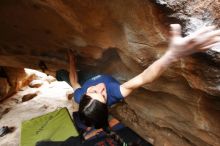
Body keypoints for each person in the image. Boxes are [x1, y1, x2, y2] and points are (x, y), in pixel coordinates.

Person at [60, 24, 220, 131]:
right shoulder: (116, 92)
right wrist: (172, 54)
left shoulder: (79, 96)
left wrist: (71, 61)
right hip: (105, 77)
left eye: (94, 91)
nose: (101, 88)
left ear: (85, 96)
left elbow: (74, 81)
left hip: (89, 76)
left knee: (63, 75)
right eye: (103, 95)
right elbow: (145, 77)